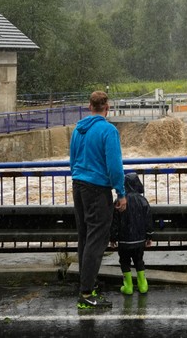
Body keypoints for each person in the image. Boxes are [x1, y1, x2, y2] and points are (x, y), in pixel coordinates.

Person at [70, 90, 127, 310]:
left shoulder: (78, 129)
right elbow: (114, 166)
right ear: (107, 108)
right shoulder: (108, 130)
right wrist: (121, 193)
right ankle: (86, 293)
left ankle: (88, 286)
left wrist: (79, 179)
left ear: (89, 107)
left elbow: (73, 160)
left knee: (84, 237)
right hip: (97, 189)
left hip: (79, 185)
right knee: (97, 239)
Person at [111, 171, 154, 295]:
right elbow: (148, 220)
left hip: (124, 241)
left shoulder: (119, 202)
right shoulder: (143, 200)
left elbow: (114, 222)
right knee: (139, 261)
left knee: (124, 262)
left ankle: (128, 286)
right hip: (139, 240)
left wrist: (113, 238)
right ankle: (142, 285)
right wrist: (149, 236)